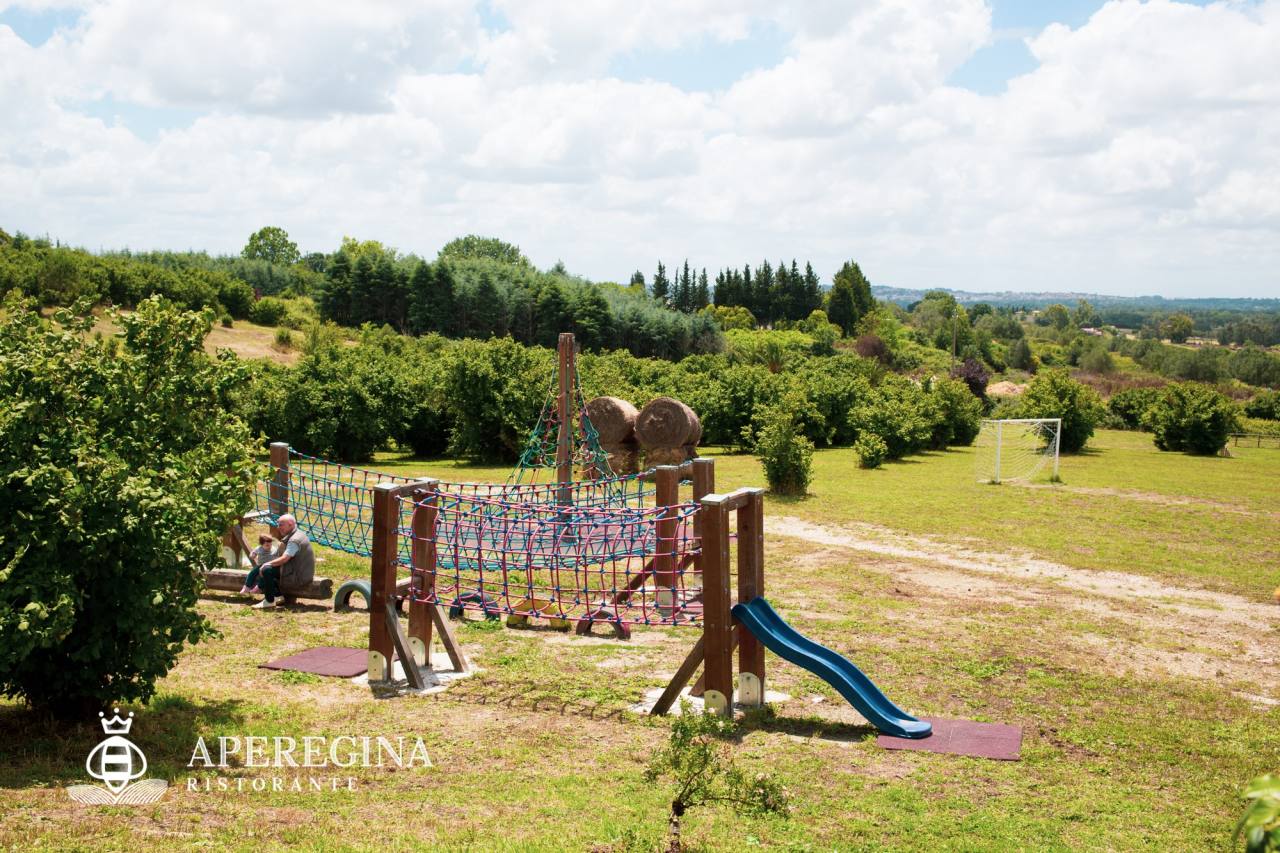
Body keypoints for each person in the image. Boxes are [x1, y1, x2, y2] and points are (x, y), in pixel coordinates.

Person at [253, 514, 315, 609]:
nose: (279, 527)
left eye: (281, 525)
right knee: (268, 568)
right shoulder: (298, 533)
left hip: (299, 577)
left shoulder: (294, 540)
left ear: (290, 524)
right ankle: (278, 596)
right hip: (300, 571)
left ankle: (269, 600)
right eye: (278, 524)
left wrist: (266, 564)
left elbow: (285, 558)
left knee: (266, 570)